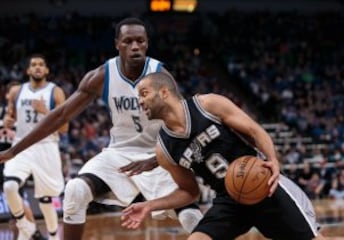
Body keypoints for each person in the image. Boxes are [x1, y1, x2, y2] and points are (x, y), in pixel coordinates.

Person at [0, 18, 202, 240]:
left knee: (190, 216)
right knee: (75, 190)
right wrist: (14, 150)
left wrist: (160, 158)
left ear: (147, 43)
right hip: (119, 154)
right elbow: (60, 115)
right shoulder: (103, 75)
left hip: (160, 152)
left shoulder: (161, 75)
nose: (134, 46)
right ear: (117, 44)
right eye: (128, 41)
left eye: (140, 41)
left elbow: (184, 124)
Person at [120, 72, 329, 240]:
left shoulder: (208, 105)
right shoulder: (164, 150)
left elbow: (254, 131)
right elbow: (189, 192)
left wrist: (272, 160)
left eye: (144, 93)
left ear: (164, 92)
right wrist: (150, 205)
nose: (140, 101)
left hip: (263, 186)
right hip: (228, 200)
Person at [3, 54, 68, 240]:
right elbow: (11, 118)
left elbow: (64, 128)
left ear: (46, 70)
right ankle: (26, 226)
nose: (37, 67)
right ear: (28, 70)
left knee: (46, 200)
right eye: (34, 65)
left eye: (41, 64)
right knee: (9, 186)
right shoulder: (16, 91)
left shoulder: (55, 92)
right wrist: (8, 121)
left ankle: (54, 237)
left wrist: (45, 112)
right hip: (22, 145)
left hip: (46, 146)